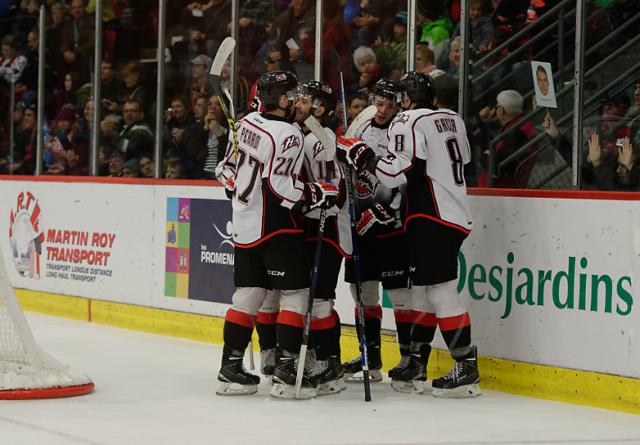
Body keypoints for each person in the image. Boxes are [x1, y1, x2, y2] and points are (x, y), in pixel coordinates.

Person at [337, 71, 481, 398]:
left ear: (405, 98)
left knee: (441, 290)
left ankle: (466, 367)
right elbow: (462, 159)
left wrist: (363, 156)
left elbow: (393, 171)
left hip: (432, 213)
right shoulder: (452, 118)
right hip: (448, 212)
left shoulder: (408, 120)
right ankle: (416, 361)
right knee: (421, 292)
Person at [214, 71, 339, 399]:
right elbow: (280, 187)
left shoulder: (244, 124)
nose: (298, 99)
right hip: (276, 225)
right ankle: (286, 368)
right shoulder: (288, 134)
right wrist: (317, 193)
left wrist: (239, 189)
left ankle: (231, 367)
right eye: (292, 95)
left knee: (247, 295)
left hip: (243, 225)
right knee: (295, 294)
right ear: (281, 100)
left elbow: (225, 170)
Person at [339, 78, 415, 388]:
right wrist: (344, 148)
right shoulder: (362, 124)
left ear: (399, 103)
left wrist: (388, 211)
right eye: (379, 103)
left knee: (400, 294)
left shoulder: (404, 130)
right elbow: (345, 162)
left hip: (393, 228)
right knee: (363, 293)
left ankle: (410, 360)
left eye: (389, 105)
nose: (382, 110)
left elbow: (408, 176)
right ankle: (369, 358)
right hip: (360, 225)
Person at [294, 80, 351, 395]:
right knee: (313, 299)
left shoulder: (320, 138)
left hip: (325, 229)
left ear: (320, 108)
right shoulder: (306, 135)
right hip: (314, 226)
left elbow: (335, 191)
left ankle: (329, 365)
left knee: (319, 300)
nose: (298, 103)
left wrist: (321, 200)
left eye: (305, 99)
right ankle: (325, 358)